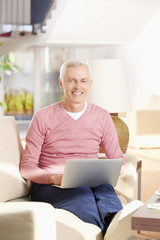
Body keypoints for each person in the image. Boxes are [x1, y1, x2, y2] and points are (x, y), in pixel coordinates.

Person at [20, 59, 125, 236]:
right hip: (51, 186)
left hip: (94, 182)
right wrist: (52, 178)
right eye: (72, 80)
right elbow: (26, 167)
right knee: (83, 196)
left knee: (107, 196)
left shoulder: (102, 116)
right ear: (61, 83)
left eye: (83, 80)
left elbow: (118, 160)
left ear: (90, 84)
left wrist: (110, 171)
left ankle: (120, 230)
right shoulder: (43, 117)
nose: (78, 86)